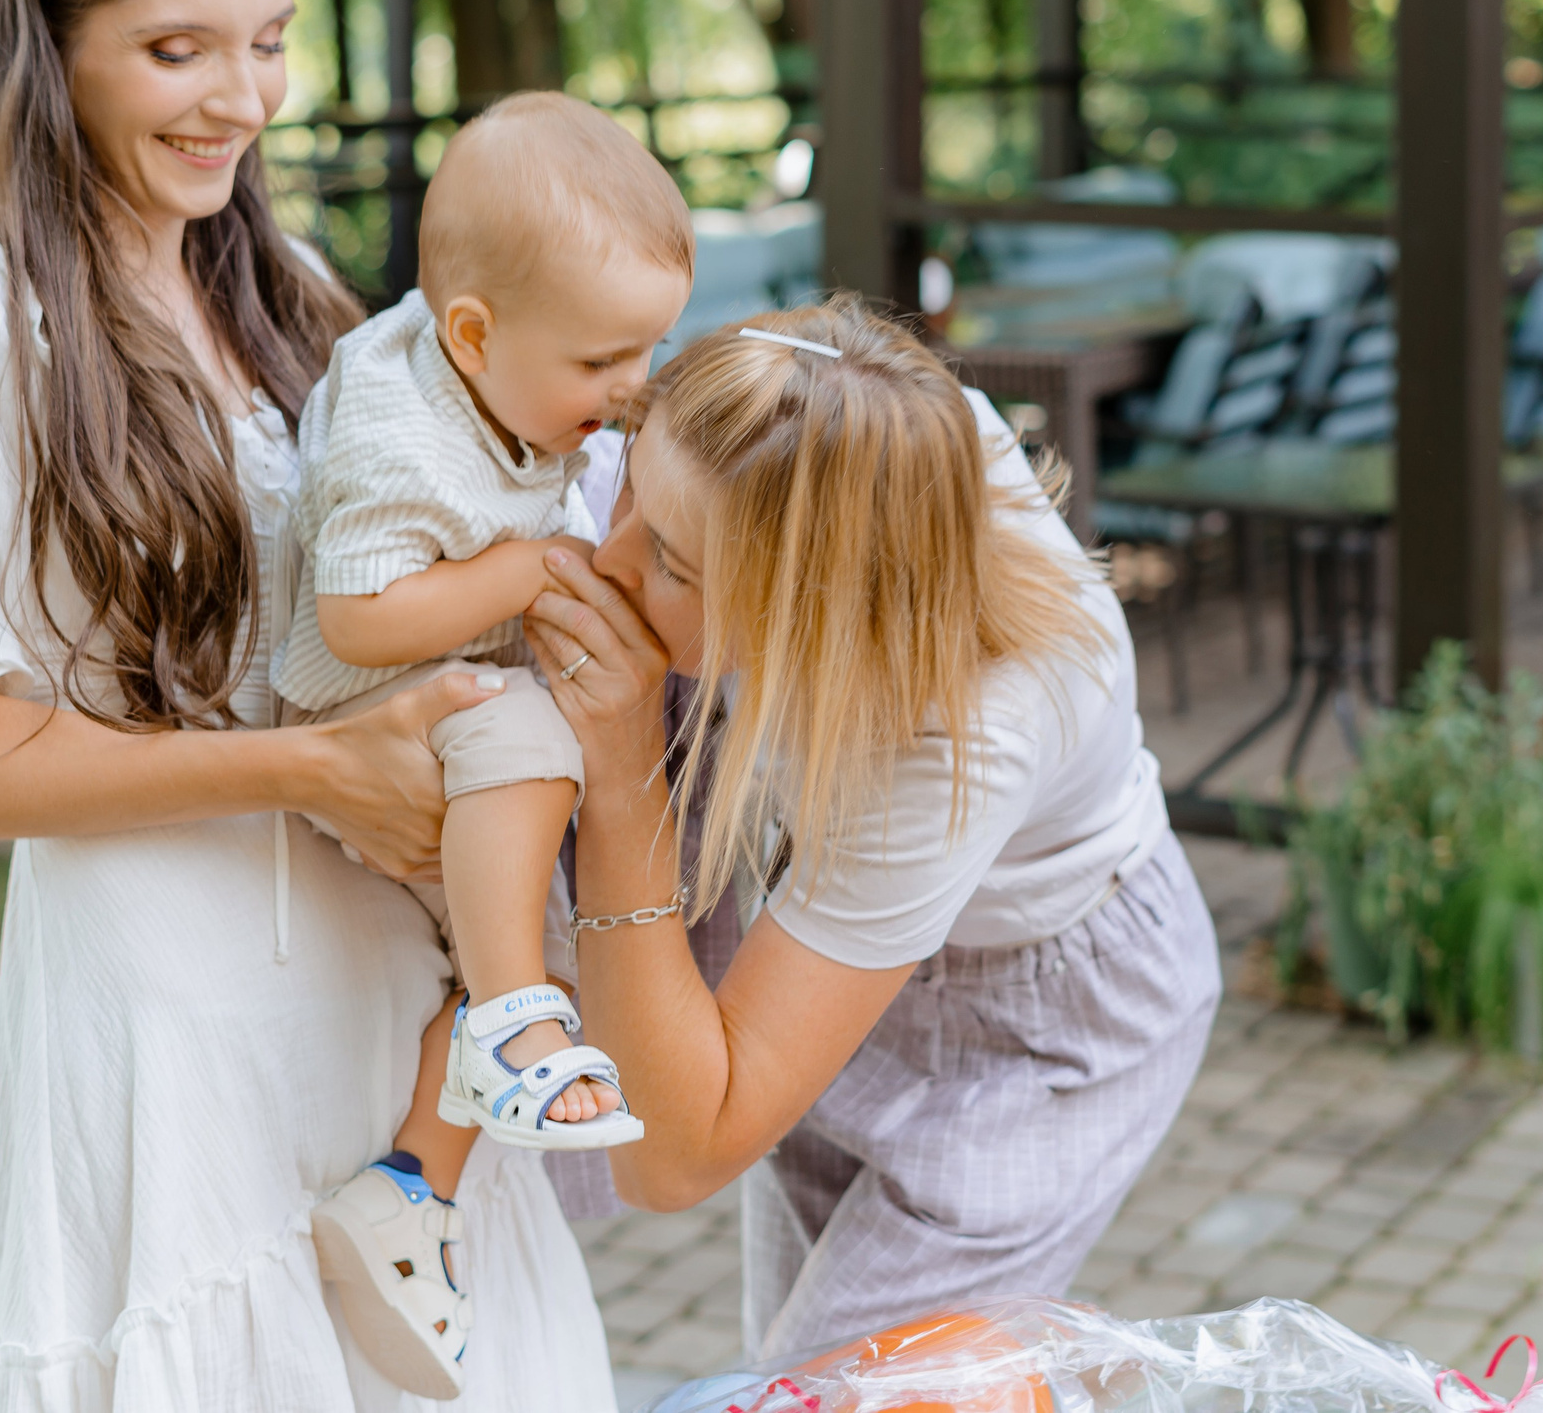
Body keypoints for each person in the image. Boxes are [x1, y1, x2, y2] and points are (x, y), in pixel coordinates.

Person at [0, 0, 616, 1412]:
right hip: (168, 1008)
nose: (240, 97)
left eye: (269, 42)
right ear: (52, 41)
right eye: (176, 49)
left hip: (390, 982)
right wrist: (302, 768)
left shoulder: (281, 282)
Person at [521, 299, 1226, 1356]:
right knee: (807, 1361)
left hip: (1040, 1029)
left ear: (810, 612)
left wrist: (627, 771)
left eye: (669, 563)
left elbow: (672, 1159)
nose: (608, 564)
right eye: (632, 480)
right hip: (858, 943)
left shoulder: (958, 736)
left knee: (820, 1389)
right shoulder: (860, 437)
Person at [284, 92, 692, 1394]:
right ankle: (508, 1023)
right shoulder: (400, 436)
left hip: (445, 682)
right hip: (361, 696)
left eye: (650, 350)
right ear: (472, 331)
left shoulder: (498, 365)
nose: (630, 390)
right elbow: (355, 613)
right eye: (602, 362)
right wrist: (523, 568)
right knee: (527, 744)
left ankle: (413, 1183)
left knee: (542, 918)